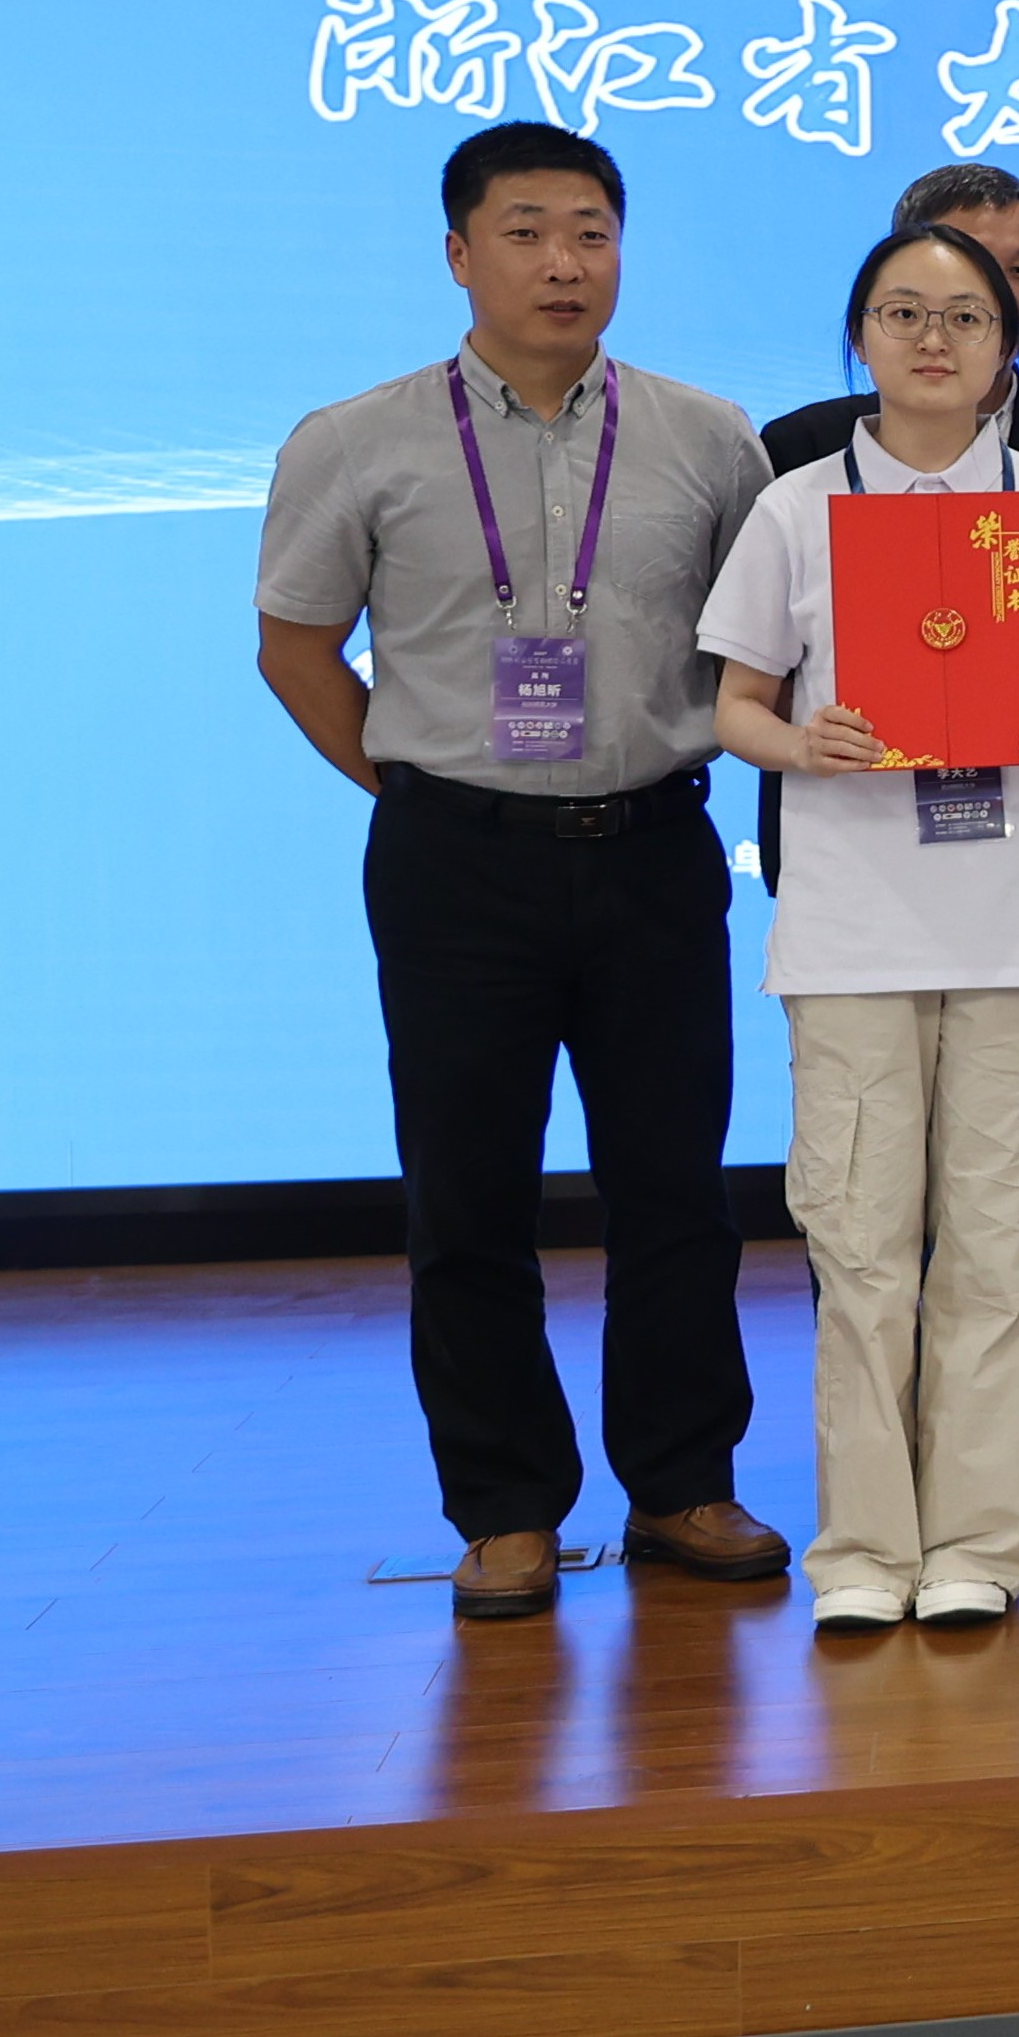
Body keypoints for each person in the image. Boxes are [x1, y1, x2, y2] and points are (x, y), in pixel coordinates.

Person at [254, 124, 788, 1622]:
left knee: (676, 1189)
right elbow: (297, 648)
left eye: (592, 233)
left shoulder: (709, 438)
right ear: (458, 253)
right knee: (468, 1194)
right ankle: (502, 1508)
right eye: (528, 231)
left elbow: (766, 644)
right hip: (455, 867)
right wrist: (423, 788)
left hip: (654, 849)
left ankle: (681, 1482)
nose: (565, 263)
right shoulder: (353, 440)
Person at [697, 226, 1019, 1633]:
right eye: (902, 312)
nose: (934, 339)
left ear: (1007, 346)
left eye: (965, 317)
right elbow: (733, 704)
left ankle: (981, 1544)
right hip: (853, 930)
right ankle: (866, 1552)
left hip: (1015, 927)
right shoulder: (796, 505)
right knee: (861, 1248)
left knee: (1005, 1242)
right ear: (861, 335)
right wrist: (797, 742)